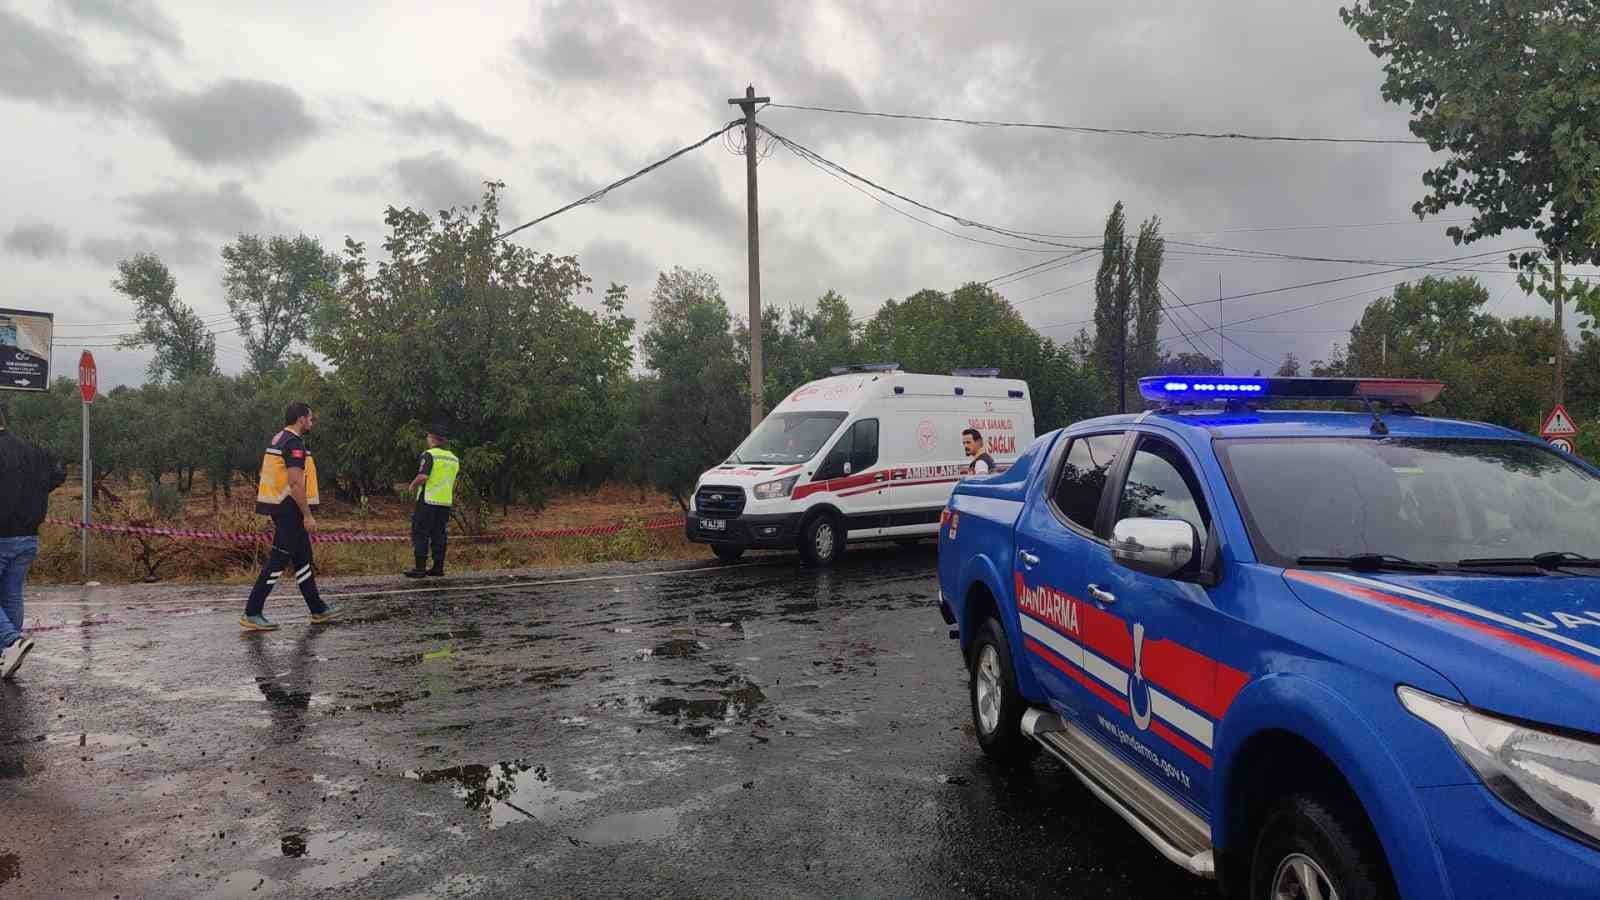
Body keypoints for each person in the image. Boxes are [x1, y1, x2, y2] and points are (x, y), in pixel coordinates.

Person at [241, 402, 337, 631]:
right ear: (301, 419)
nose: (312, 422)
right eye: (310, 418)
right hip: (289, 509)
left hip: (282, 506)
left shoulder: (280, 438)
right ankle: (252, 612)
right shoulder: (293, 443)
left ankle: (318, 609)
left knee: (303, 557)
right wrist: (307, 515)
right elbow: (295, 482)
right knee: (278, 559)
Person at [0, 406, 66, 679]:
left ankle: (11, 642)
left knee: (10, 595)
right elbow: (58, 474)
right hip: (28, 535)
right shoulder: (34, 451)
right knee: (11, 594)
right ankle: (8, 654)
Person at [405, 423, 459, 578]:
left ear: (432, 438)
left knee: (421, 532)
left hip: (428, 500)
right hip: (445, 502)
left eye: (428, 437)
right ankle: (438, 567)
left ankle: (420, 568)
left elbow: (424, 476)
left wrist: (412, 486)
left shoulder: (429, 454)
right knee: (439, 534)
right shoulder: (453, 458)